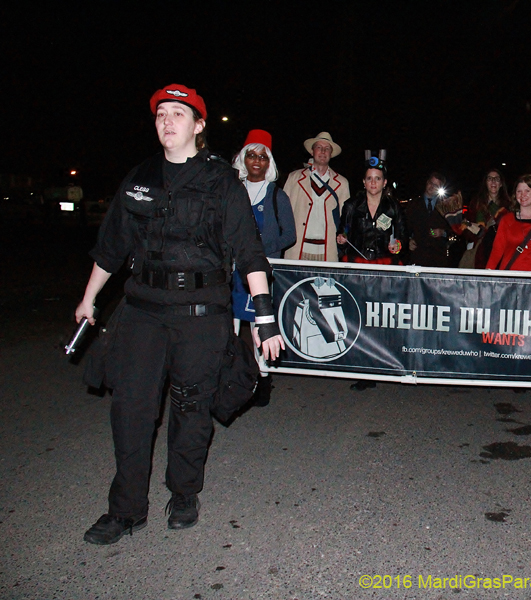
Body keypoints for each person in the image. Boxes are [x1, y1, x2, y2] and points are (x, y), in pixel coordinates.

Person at [75, 84, 285, 545]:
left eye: (178, 114)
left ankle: (184, 492)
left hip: (201, 314)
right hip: (143, 311)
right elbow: (111, 248)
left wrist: (265, 319)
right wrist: (89, 297)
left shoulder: (220, 181)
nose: (167, 122)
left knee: (191, 407)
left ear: (199, 125)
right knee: (131, 409)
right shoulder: (139, 178)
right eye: (161, 114)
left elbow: (250, 255)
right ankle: (126, 509)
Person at [230, 129, 296, 406]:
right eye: (252, 155)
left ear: (269, 163)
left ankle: (263, 381)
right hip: (233, 274)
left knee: (261, 328)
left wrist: (264, 252)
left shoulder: (276, 195)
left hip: (263, 273)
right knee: (230, 329)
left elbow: (289, 235)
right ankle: (230, 381)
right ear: (243, 159)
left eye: (262, 156)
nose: (257, 161)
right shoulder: (232, 190)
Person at [337, 154, 408, 391]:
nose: (374, 182)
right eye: (369, 178)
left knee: (381, 318)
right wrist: (341, 238)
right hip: (358, 266)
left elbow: (402, 240)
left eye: (378, 178)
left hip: (385, 267)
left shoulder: (394, 207)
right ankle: (362, 368)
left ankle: (383, 363)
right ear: (364, 182)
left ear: (385, 182)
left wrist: (397, 245)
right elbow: (343, 233)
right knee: (359, 318)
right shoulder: (351, 206)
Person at [283, 132, 350, 262]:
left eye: (327, 149)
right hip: (297, 249)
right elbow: (283, 214)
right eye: (319, 147)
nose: (323, 151)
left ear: (331, 154)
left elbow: (347, 219)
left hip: (328, 251)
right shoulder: (294, 178)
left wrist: (344, 235)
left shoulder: (342, 183)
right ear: (312, 151)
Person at [485, 174, 531, 271]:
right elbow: (497, 250)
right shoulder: (507, 220)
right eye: (519, 191)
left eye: (527, 191)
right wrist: (488, 273)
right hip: (510, 278)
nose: (522, 195)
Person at [459, 168, 511, 269]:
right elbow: (465, 228)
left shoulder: (508, 206)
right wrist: (476, 232)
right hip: (479, 252)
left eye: (496, 179)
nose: (493, 181)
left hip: (501, 252)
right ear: (485, 183)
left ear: (501, 184)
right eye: (490, 178)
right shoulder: (476, 204)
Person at [405, 172, 454, 267]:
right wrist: (409, 240)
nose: (432, 187)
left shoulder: (446, 206)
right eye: (431, 183)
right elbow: (405, 227)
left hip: (438, 258)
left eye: (436, 185)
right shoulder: (413, 205)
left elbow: (455, 230)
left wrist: (443, 232)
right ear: (427, 182)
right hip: (418, 255)